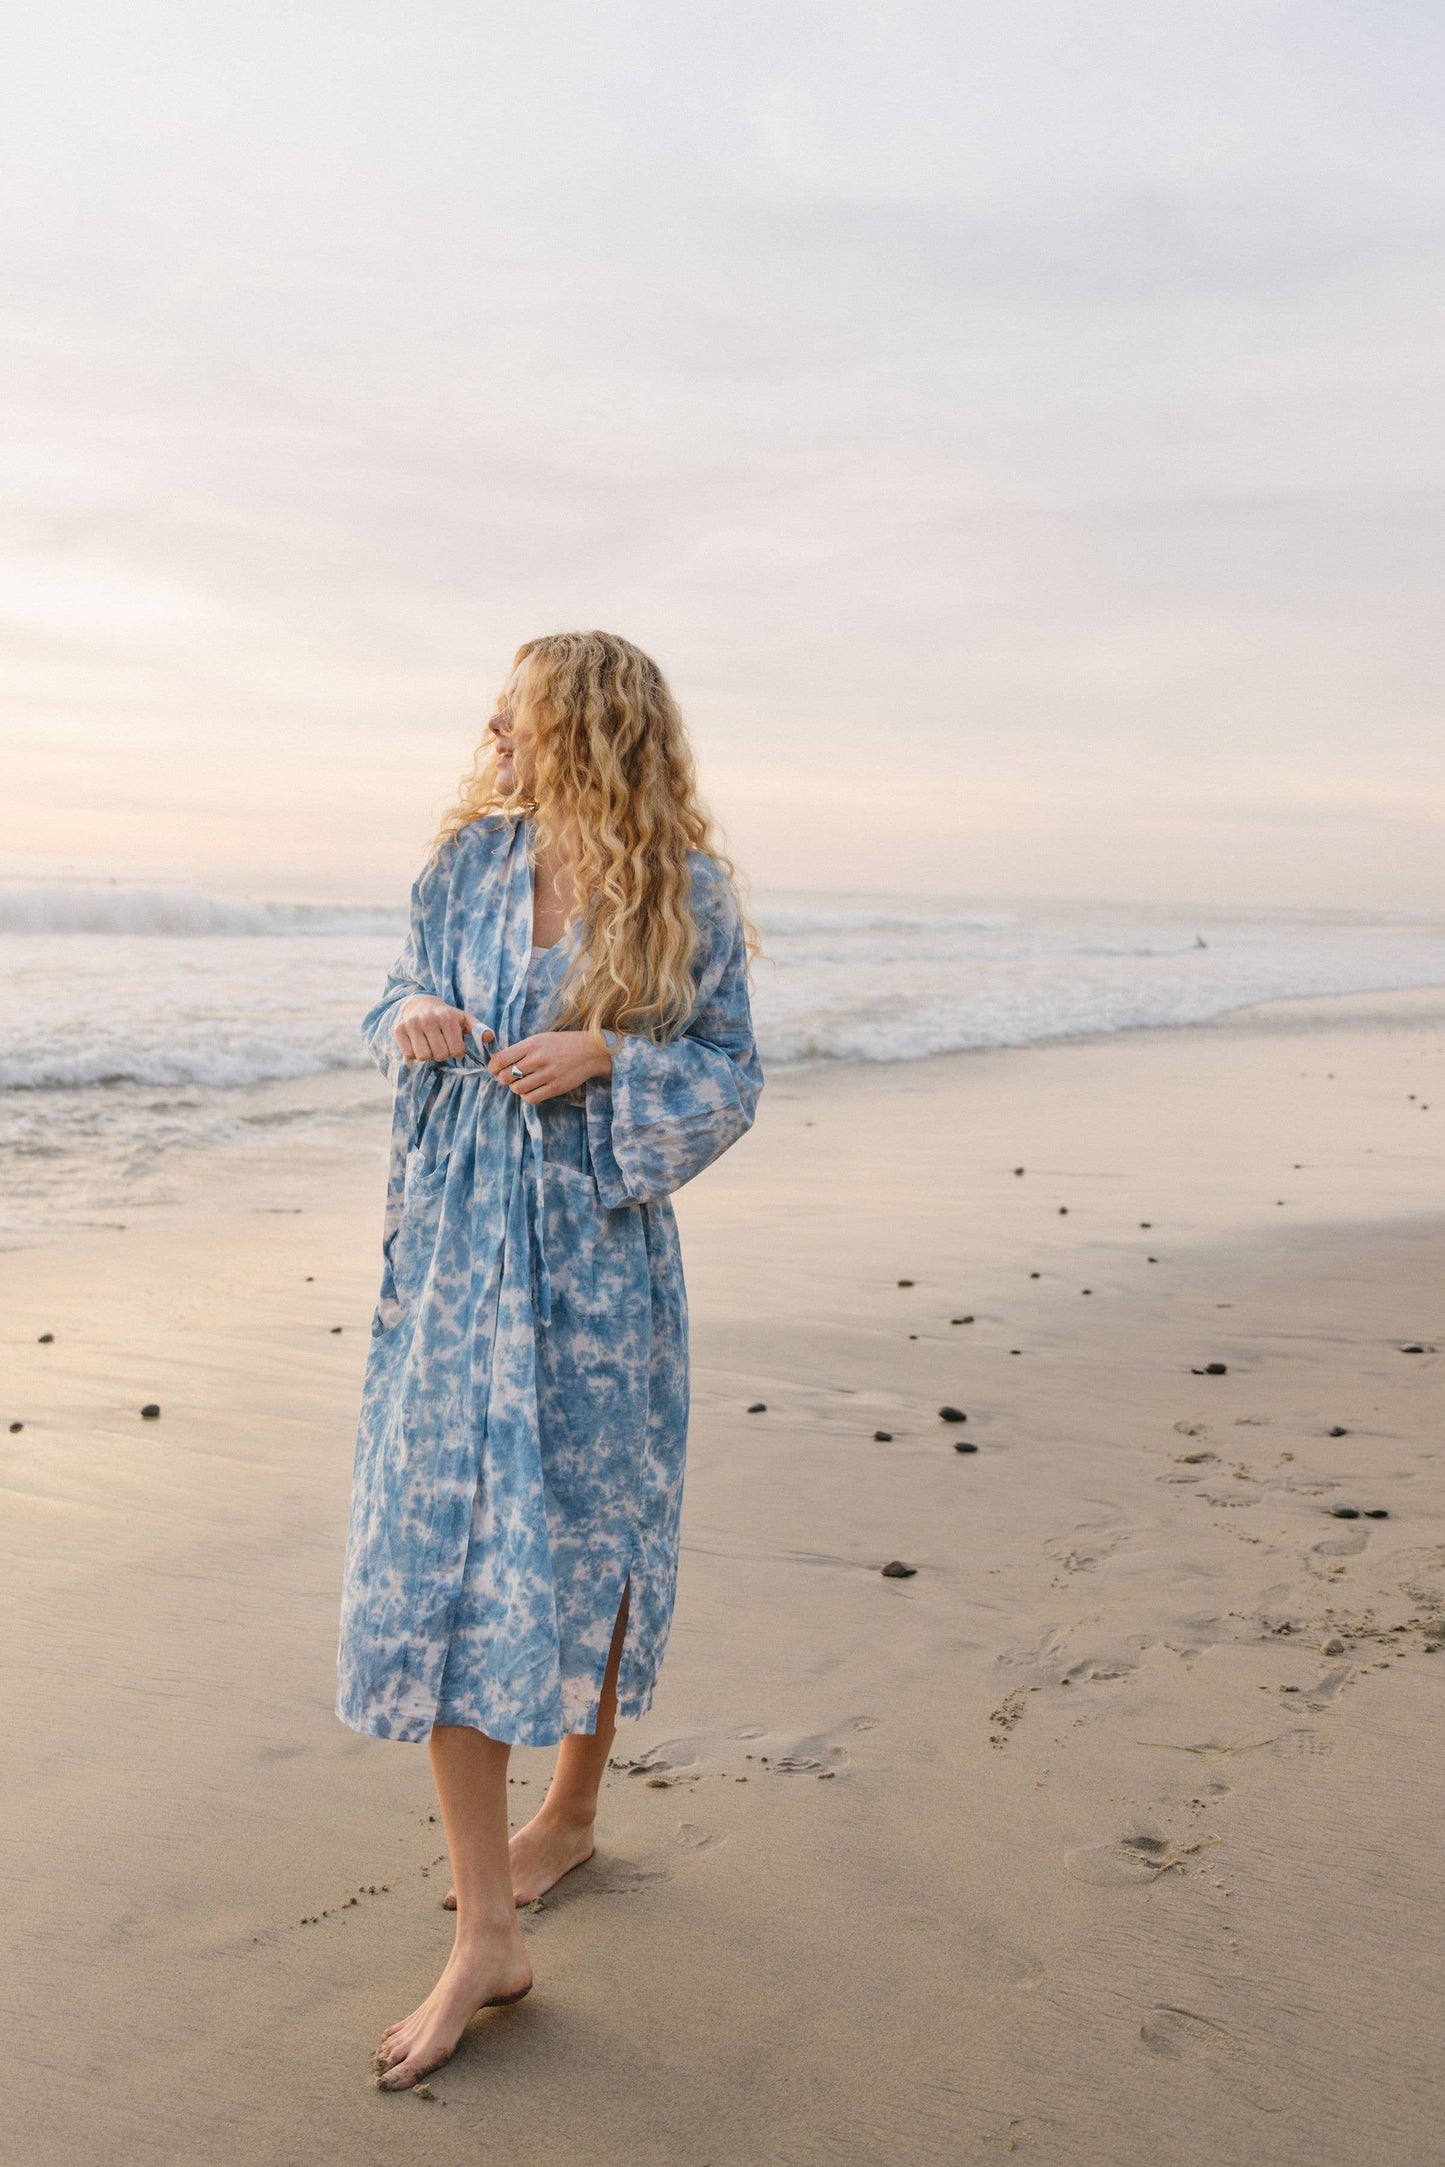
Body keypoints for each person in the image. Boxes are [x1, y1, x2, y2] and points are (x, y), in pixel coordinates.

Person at [337, 630, 762, 2090]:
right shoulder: (462, 867)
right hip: (455, 1255)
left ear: (584, 728)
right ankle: (487, 1930)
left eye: (515, 717)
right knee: (445, 1550)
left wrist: (609, 1061)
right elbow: (388, 986)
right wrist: (414, 1016)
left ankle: (572, 1814)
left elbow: (731, 1075)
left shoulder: (683, 893)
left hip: (593, 1267)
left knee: (592, 1538)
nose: (491, 736)